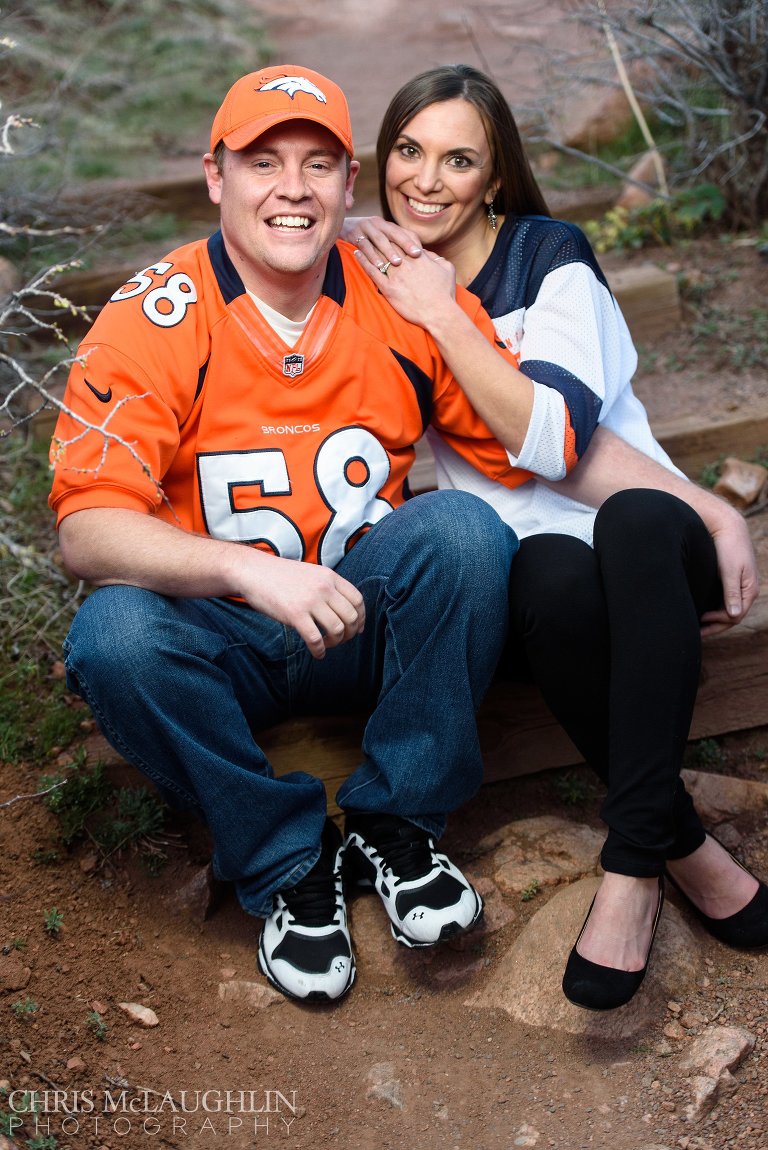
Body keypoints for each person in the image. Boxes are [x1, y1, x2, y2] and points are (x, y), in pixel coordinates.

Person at [47, 65, 532, 1005]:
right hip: (229, 640)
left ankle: (399, 822)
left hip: (366, 619)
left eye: (319, 165)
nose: (293, 190)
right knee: (113, 636)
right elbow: (89, 530)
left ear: (351, 185)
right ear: (215, 174)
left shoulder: (401, 290)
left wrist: (681, 505)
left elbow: (520, 452)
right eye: (262, 162)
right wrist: (249, 574)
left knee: (465, 533)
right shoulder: (154, 317)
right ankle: (288, 860)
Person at [343, 63, 767, 1011]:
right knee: (544, 568)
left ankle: (631, 867)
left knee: (631, 522)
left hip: (654, 549)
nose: (425, 179)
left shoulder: (549, 254)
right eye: (408, 151)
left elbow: (554, 439)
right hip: (537, 599)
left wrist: (712, 505)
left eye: (459, 160)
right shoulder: (381, 286)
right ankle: (684, 842)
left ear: (494, 179)